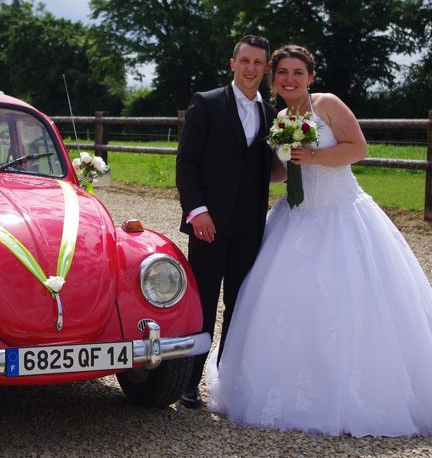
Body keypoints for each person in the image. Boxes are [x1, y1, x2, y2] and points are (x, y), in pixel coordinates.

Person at [205, 44, 432, 437]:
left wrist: (310, 158)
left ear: (311, 76)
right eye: (282, 72)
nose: (289, 79)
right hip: (295, 217)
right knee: (282, 303)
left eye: (297, 72)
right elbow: (278, 172)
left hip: (341, 213)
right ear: (273, 78)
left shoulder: (327, 104)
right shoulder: (277, 117)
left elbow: (357, 148)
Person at [176, 35, 284, 408]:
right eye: (246, 61)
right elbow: (186, 162)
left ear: (266, 68)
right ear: (232, 63)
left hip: (250, 226)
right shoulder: (205, 103)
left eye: (259, 63)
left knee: (240, 304)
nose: (251, 68)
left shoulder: (271, 115)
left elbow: (264, 170)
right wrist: (197, 210)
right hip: (209, 224)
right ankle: (188, 383)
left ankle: (225, 382)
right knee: (203, 302)